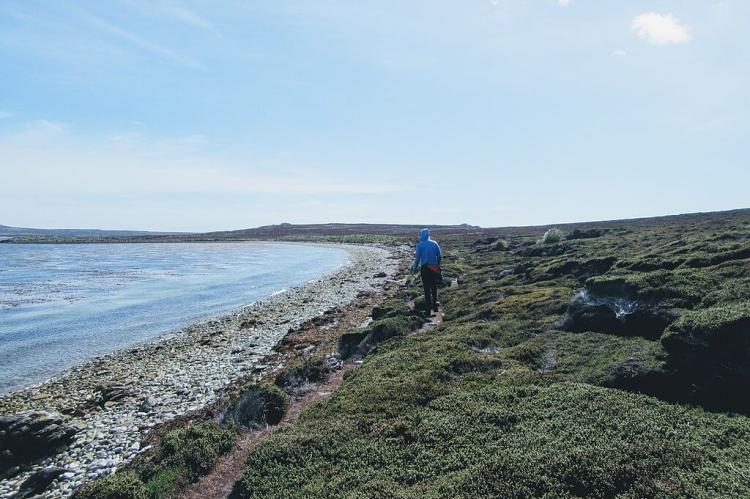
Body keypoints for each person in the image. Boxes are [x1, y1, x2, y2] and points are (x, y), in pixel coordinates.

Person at [411, 228, 442, 314]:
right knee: (434, 287)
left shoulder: (420, 245)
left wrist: (414, 269)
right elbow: (439, 256)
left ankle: (428, 310)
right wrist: (437, 265)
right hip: (434, 267)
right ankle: (435, 307)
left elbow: (417, 259)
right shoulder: (434, 243)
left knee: (426, 289)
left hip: (425, 268)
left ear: (422, 235)